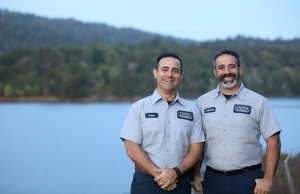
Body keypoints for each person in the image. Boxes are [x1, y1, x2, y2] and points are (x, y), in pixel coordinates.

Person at [192, 49, 281, 194]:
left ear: (240, 69)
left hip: (249, 180)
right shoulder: (202, 102)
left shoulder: (258, 102)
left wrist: (268, 179)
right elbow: (198, 143)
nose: (227, 72)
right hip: (213, 180)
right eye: (221, 67)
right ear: (215, 72)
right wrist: (196, 175)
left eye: (231, 66)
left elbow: (274, 141)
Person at [120, 52, 205, 194]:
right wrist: (160, 176)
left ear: (181, 76)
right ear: (155, 73)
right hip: (146, 182)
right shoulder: (139, 107)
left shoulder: (192, 110)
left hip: (181, 182)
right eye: (165, 69)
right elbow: (131, 147)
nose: (170, 74)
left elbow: (196, 149)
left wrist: (175, 173)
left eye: (175, 71)